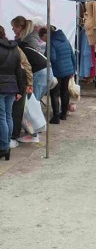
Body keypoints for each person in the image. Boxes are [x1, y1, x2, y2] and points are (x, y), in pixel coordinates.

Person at [39, 26, 76, 124]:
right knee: (64, 92)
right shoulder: (65, 39)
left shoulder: (51, 42)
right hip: (68, 70)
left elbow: (52, 58)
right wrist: (73, 69)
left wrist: (45, 57)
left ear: (46, 34)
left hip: (57, 71)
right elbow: (72, 55)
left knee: (54, 93)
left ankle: (56, 117)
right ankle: (63, 114)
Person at [0, 26, 24, 160]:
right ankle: (7, 146)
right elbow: (19, 70)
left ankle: (3, 147)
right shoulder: (14, 48)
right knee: (8, 116)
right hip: (12, 86)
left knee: (2, 117)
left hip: (2, 87)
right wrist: (20, 89)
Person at [11, 16, 48, 101]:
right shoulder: (24, 38)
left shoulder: (27, 38)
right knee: (33, 100)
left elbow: (30, 60)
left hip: (40, 71)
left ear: (19, 27)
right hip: (42, 69)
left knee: (33, 100)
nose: (12, 29)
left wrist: (30, 83)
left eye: (13, 27)